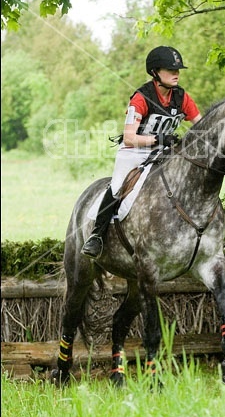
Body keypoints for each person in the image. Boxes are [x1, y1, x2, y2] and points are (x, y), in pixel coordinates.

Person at [81, 45, 202, 259]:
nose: (176, 74)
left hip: (165, 152)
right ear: (155, 73)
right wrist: (157, 139)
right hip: (134, 152)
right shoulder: (141, 98)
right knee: (118, 186)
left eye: (178, 70)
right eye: (170, 69)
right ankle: (96, 236)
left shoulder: (182, 97)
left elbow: (200, 126)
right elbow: (129, 137)